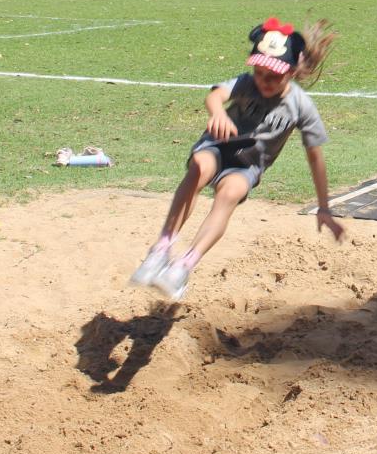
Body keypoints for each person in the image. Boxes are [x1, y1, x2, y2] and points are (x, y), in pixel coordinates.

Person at [130, 17, 345, 300]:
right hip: (218, 146)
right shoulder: (247, 84)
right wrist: (217, 113)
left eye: (273, 76)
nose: (264, 81)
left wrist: (324, 207)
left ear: (291, 71)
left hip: (247, 165)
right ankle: (162, 248)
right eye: (259, 72)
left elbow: (315, 159)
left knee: (230, 193)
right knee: (199, 167)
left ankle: (183, 267)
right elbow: (216, 96)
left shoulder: (301, 106)